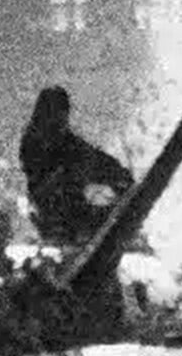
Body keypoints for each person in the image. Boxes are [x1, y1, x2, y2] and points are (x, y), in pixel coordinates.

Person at [18, 87, 134, 247]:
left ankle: (97, 230)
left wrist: (119, 174)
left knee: (97, 191)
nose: (63, 116)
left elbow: (94, 157)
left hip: (67, 204)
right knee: (82, 197)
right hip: (53, 209)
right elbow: (47, 176)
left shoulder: (66, 138)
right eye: (58, 110)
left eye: (64, 110)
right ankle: (82, 239)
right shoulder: (34, 141)